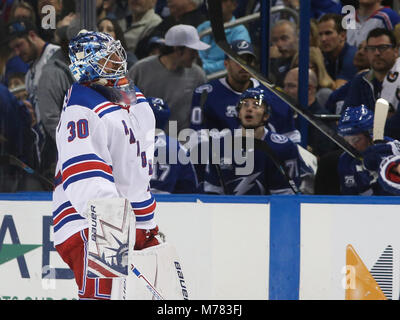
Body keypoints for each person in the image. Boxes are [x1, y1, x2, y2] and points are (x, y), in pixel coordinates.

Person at [53, 30, 161, 299]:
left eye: (115, 53)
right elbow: (86, 180)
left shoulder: (121, 94)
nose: (117, 60)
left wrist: (143, 226)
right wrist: (114, 234)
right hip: (99, 226)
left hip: (133, 225)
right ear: (89, 66)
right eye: (108, 57)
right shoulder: (82, 109)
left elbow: (138, 157)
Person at [190, 39, 300, 144]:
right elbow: (197, 135)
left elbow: (291, 137)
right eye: (238, 61)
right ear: (226, 64)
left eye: (249, 60)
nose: (244, 65)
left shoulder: (273, 96)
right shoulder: (206, 93)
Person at [203, 87, 303, 195]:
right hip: (228, 210)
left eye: (256, 105)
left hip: (270, 210)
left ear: (266, 116)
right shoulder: (219, 146)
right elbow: (212, 192)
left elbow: (286, 195)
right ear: (239, 113)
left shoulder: (283, 147)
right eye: (245, 105)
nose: (249, 109)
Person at [128, 24, 208, 136]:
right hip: (145, 142)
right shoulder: (140, 70)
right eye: (192, 51)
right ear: (177, 49)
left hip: (182, 144)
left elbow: (202, 112)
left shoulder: (198, 75)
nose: (196, 55)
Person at [336, 105, 392, 195]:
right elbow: (350, 199)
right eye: (346, 140)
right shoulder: (345, 160)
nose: (351, 145)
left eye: (356, 140)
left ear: (370, 135)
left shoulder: (391, 150)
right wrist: (364, 186)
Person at [148, 97, 198, 193]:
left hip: (132, 204)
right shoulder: (179, 149)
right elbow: (190, 188)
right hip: (170, 205)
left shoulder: (128, 144)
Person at [283, 67, 336, 158]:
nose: (285, 90)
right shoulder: (286, 114)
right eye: (284, 86)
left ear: (309, 89)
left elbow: (320, 155)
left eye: (291, 86)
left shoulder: (322, 120)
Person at [196, 0, 251, 75]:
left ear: (234, 4)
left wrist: (201, 69)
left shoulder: (239, 31)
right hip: (198, 77)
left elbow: (236, 64)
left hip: (221, 78)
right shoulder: (202, 27)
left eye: (221, 1)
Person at [317, 13, 358, 89]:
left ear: (342, 36)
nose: (323, 39)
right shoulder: (322, 54)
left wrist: (319, 64)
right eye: (320, 34)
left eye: (328, 33)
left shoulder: (353, 55)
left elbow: (338, 88)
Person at [269, 20, 299, 88]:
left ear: (296, 38)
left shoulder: (304, 59)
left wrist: (273, 61)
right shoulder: (275, 59)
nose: (279, 44)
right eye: (275, 40)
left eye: (284, 38)